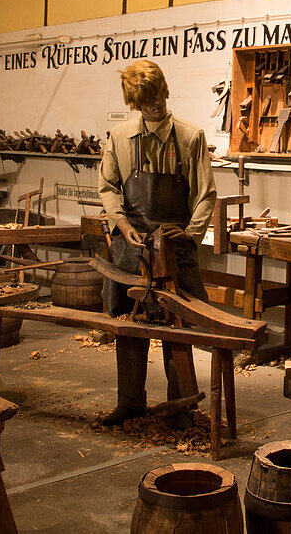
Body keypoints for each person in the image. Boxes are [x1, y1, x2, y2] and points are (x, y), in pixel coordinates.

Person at [97, 60, 217, 427]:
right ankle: (129, 402)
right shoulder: (118, 138)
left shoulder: (190, 137)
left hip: (174, 247)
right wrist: (120, 222)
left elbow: (206, 193)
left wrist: (193, 233)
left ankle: (181, 407)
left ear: (166, 91)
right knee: (129, 327)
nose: (156, 106)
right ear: (135, 103)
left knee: (175, 328)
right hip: (131, 248)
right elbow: (108, 188)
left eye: (160, 96)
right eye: (147, 101)